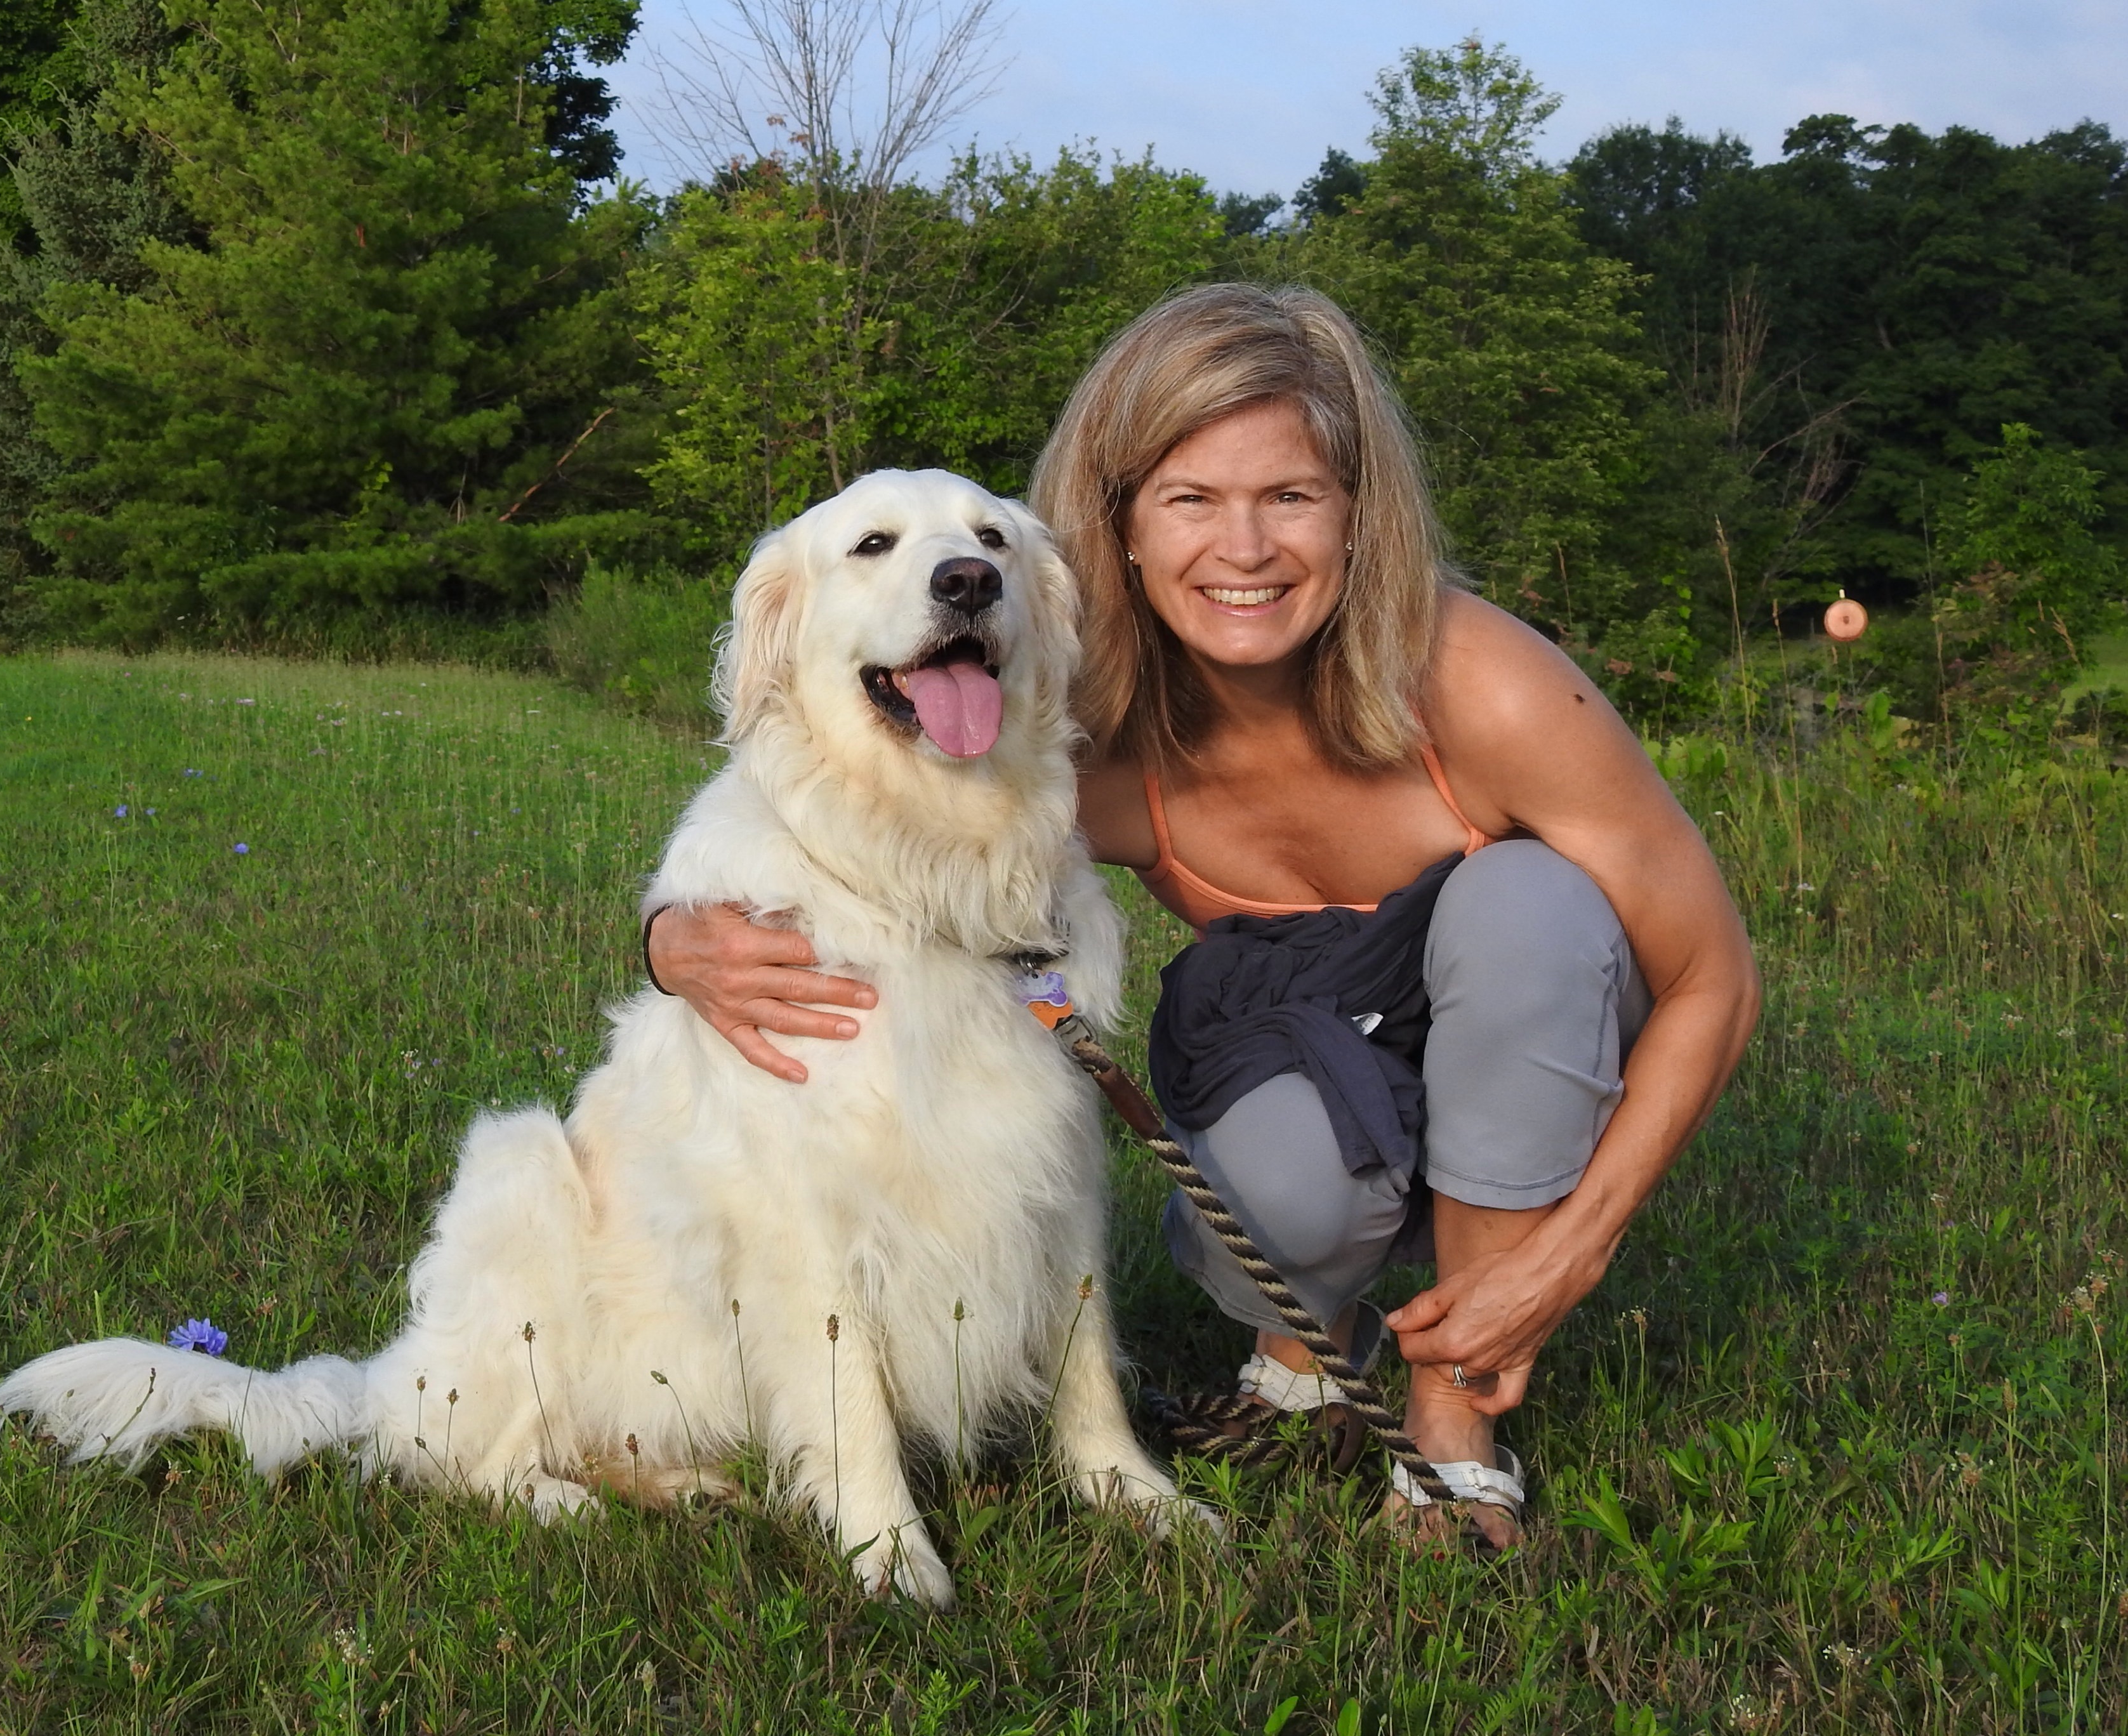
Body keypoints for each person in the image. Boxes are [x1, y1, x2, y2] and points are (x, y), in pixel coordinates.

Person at [645, 284, 1759, 1548]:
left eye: (1290, 496)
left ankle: (1453, 1426)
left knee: (1530, 906)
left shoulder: (1484, 685)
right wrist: (674, 942)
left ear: (1358, 513)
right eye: (1190, 501)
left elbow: (1714, 978)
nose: (1246, 548)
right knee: (1275, 1191)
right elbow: (867, 845)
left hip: (1511, 1025)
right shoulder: (1077, 733)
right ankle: (1299, 1353)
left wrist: (1574, 1253)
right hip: (1303, 1053)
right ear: (1117, 526)